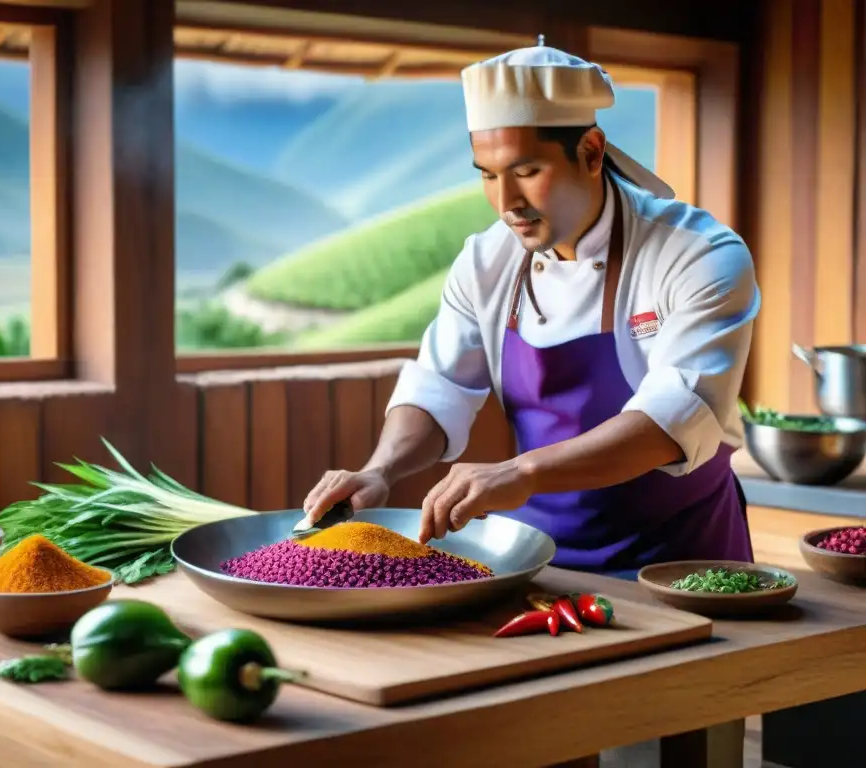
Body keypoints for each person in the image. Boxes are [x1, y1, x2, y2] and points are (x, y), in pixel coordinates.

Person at [301, 41, 760, 577]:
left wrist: (520, 471)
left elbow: (671, 420)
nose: (505, 202)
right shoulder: (486, 261)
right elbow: (440, 385)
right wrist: (380, 470)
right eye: (488, 174)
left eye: (526, 170)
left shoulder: (698, 255)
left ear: (591, 152)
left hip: (683, 561)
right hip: (544, 562)